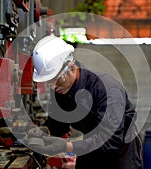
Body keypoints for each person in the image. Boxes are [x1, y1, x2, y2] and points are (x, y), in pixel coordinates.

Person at [28, 34, 143, 169]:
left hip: (120, 153)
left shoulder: (106, 88)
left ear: (71, 67)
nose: (52, 86)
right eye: (49, 82)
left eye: (56, 79)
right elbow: (58, 125)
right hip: (91, 147)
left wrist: (67, 146)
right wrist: (42, 134)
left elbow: (111, 140)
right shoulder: (62, 90)